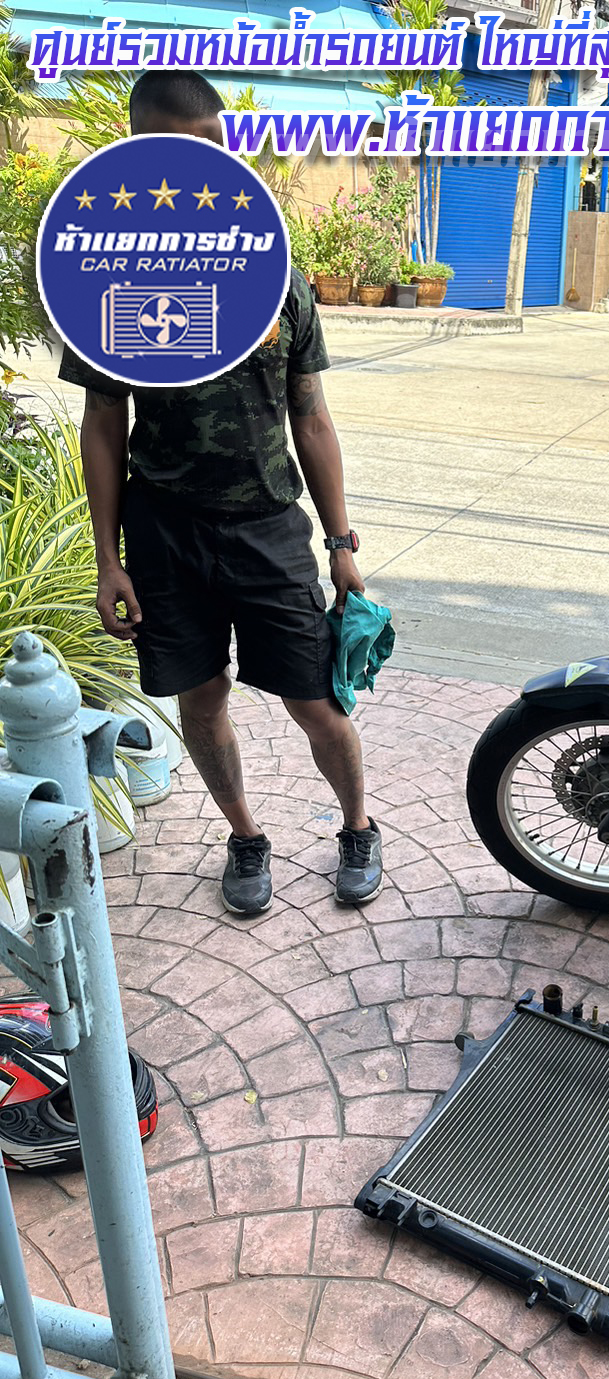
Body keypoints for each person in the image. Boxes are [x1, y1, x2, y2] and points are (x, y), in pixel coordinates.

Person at [60, 69, 383, 916]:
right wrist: (107, 560)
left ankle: (357, 826)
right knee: (201, 700)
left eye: (212, 149)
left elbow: (310, 415)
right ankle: (245, 837)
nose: (202, 170)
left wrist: (341, 545)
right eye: (178, 153)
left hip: (269, 525)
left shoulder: (274, 272)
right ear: (138, 155)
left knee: (316, 701)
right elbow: (103, 423)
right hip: (164, 532)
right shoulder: (103, 275)